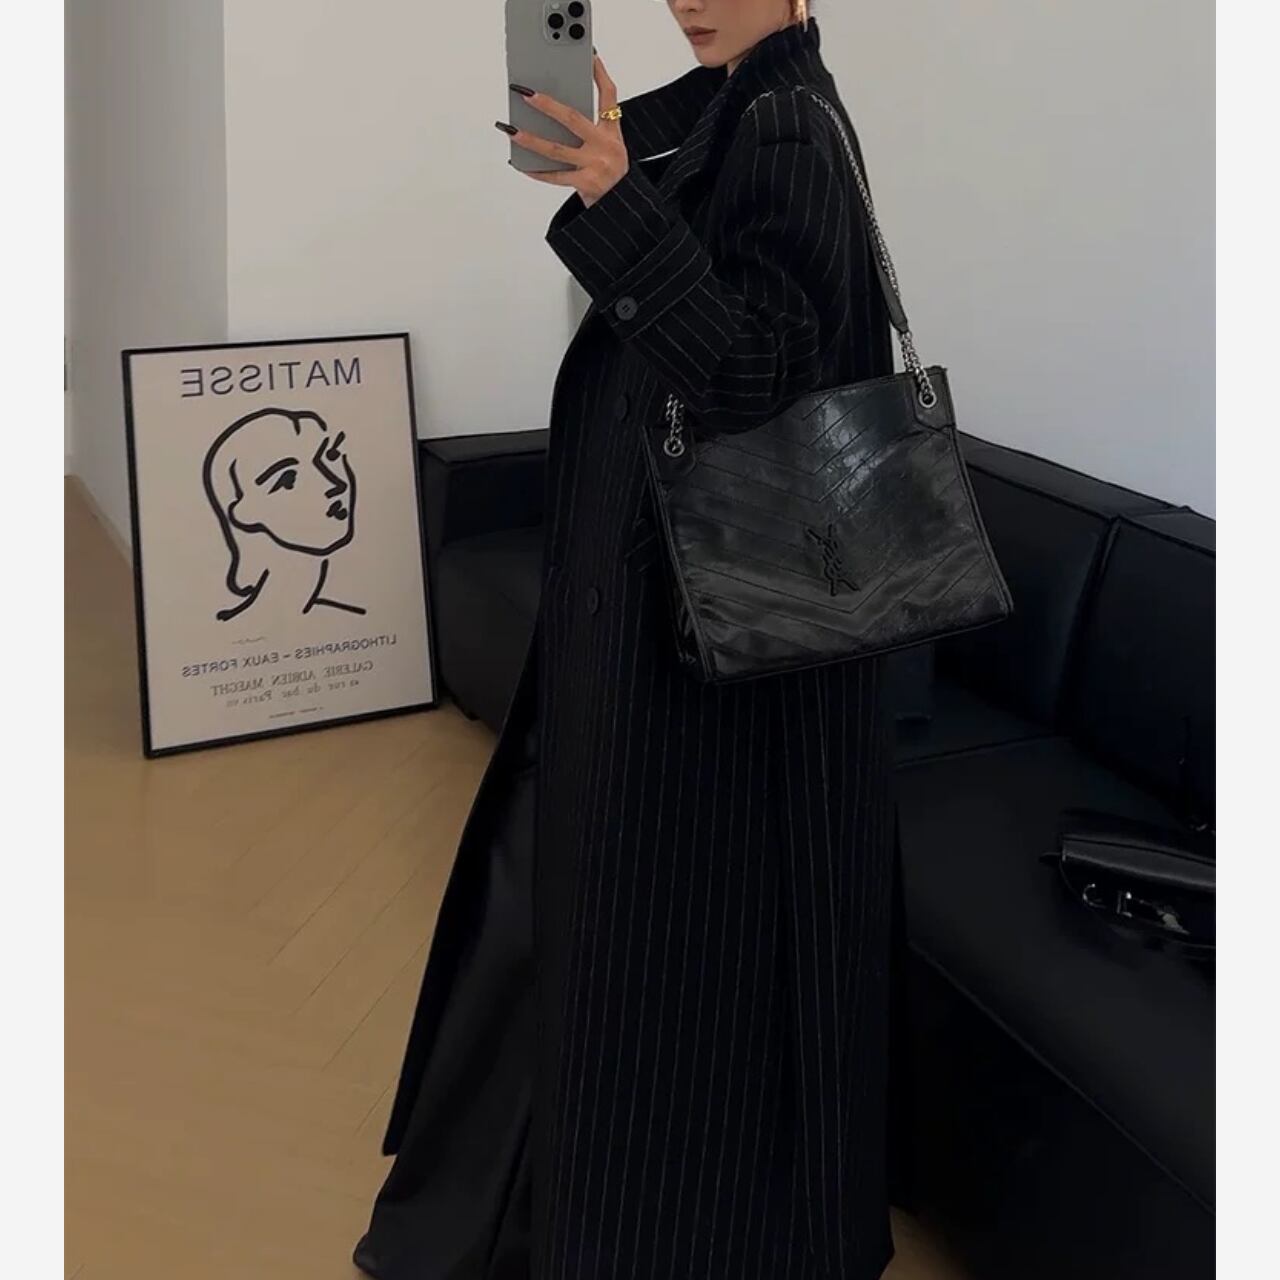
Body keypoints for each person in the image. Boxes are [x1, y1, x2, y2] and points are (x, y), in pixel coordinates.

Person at [355, 2, 912, 1276]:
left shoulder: (787, 127)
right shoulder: (743, 110)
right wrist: (611, 156)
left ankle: (616, 1221)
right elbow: (715, 294)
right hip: (685, 628)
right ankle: (590, 1207)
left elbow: (753, 377)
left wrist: (615, 197)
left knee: (639, 935)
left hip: (700, 643)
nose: (687, 0)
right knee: (609, 916)